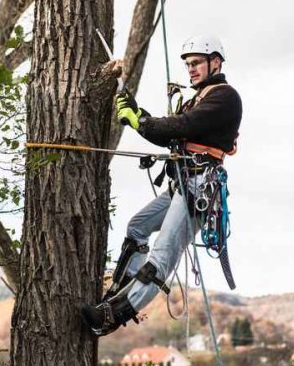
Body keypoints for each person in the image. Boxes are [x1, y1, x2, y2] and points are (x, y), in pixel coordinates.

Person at [81, 34, 243, 336]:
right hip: (182, 183)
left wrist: (138, 119)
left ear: (216, 62)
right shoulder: (199, 98)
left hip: (198, 190)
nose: (191, 69)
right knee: (137, 227)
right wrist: (139, 116)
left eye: (196, 63)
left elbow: (180, 127)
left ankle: (111, 316)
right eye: (188, 65)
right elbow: (170, 131)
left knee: (161, 256)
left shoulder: (224, 97)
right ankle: (121, 290)